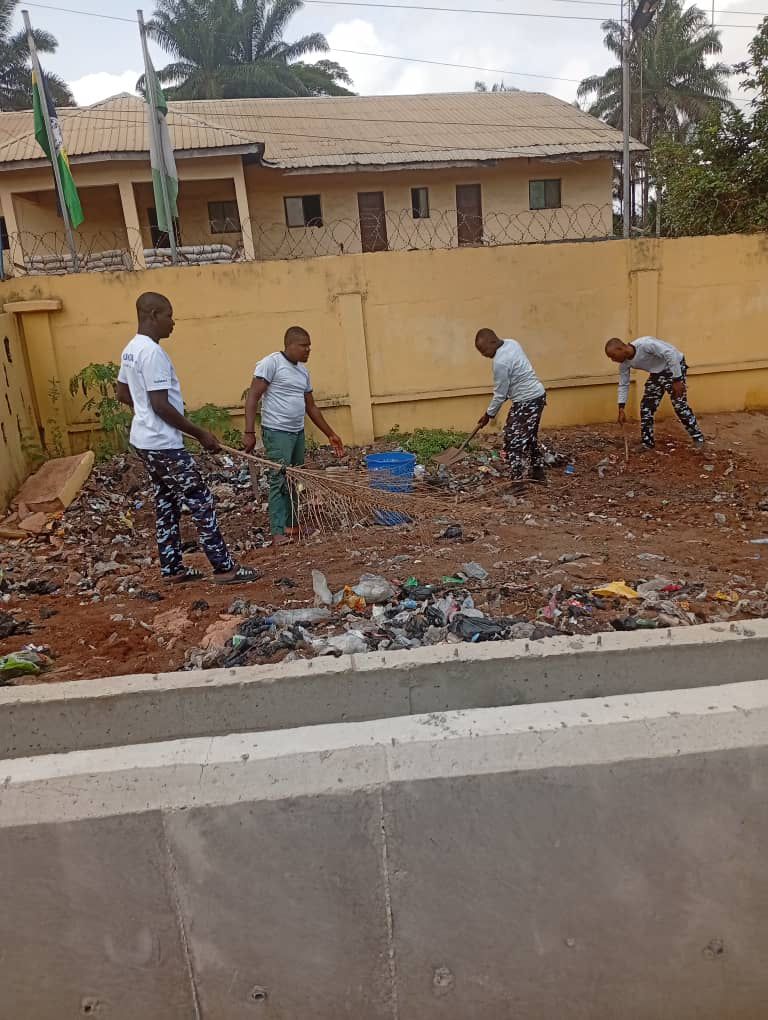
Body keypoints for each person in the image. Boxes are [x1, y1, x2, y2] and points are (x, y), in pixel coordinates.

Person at [116, 292, 259, 585]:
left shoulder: (131, 348)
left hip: (145, 441)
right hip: (162, 443)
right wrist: (200, 433)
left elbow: (122, 393)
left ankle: (172, 569)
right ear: (153, 315)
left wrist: (143, 412)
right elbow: (160, 404)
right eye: (169, 315)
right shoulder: (152, 353)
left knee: (166, 501)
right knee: (200, 499)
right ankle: (224, 568)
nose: (173, 322)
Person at [244, 326, 344, 545]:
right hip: (276, 432)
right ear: (289, 345)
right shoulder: (271, 364)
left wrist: (331, 434)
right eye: (303, 346)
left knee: (295, 479)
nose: (308, 350)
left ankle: (292, 527)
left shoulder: (302, 372)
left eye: (309, 346)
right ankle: (278, 531)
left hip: (297, 433)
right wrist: (249, 432)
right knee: (278, 479)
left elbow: (312, 407)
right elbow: (252, 397)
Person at [474, 328, 547, 489]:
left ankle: (517, 483)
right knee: (530, 438)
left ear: (493, 342)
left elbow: (501, 393)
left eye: (484, 350)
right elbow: (508, 387)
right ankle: (538, 472)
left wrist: (489, 414)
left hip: (526, 401)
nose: (484, 355)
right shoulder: (512, 343)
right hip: (538, 395)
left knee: (513, 440)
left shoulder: (500, 362)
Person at [605, 336, 704, 451]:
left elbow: (670, 353)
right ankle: (647, 443)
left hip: (673, 366)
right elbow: (623, 384)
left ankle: (698, 438)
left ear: (620, 348)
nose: (613, 360)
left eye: (613, 356)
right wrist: (621, 407)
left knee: (679, 405)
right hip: (656, 373)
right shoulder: (624, 364)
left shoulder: (645, 344)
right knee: (646, 407)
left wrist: (677, 379)